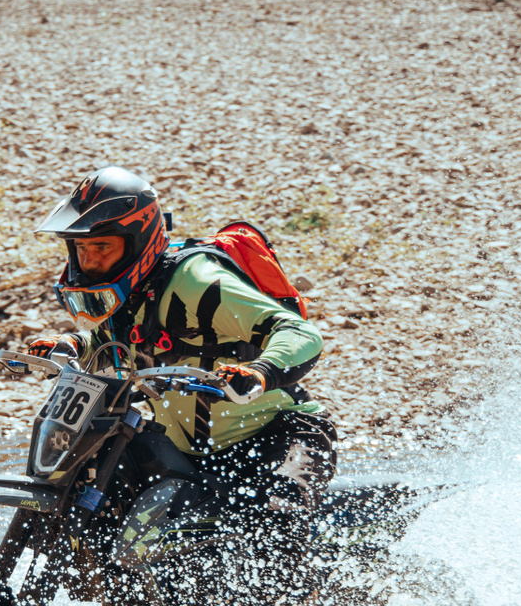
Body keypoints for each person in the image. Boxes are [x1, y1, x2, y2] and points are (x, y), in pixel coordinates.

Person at [26, 164, 337, 540]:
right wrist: (71, 345)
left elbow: (298, 332)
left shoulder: (196, 281)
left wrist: (260, 372)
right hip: (187, 452)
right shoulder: (127, 293)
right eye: (82, 249)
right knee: (107, 515)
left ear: (137, 241)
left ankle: (293, 577)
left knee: (273, 528)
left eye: (102, 247)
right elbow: (112, 345)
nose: (89, 262)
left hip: (279, 437)